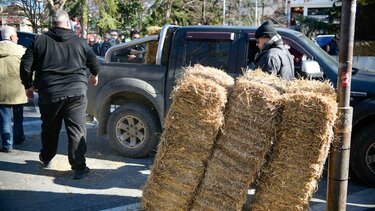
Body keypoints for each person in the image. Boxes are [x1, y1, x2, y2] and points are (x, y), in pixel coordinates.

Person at [20, 9, 100, 179]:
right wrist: (94, 75)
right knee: (77, 130)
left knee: (49, 128)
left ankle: (47, 157)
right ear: (67, 23)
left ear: (52, 23)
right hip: (76, 92)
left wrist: (28, 85)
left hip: (50, 92)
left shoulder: (39, 41)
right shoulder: (81, 42)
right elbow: (95, 63)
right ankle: (79, 167)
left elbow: (26, 66)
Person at [0, 26, 28, 153]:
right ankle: (18, 137)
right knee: (18, 116)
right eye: (16, 36)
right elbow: (28, 69)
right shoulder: (21, 51)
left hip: (1, 91)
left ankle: (7, 144)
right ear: (12, 37)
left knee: (4, 118)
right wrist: (31, 84)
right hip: (18, 89)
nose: (17, 38)